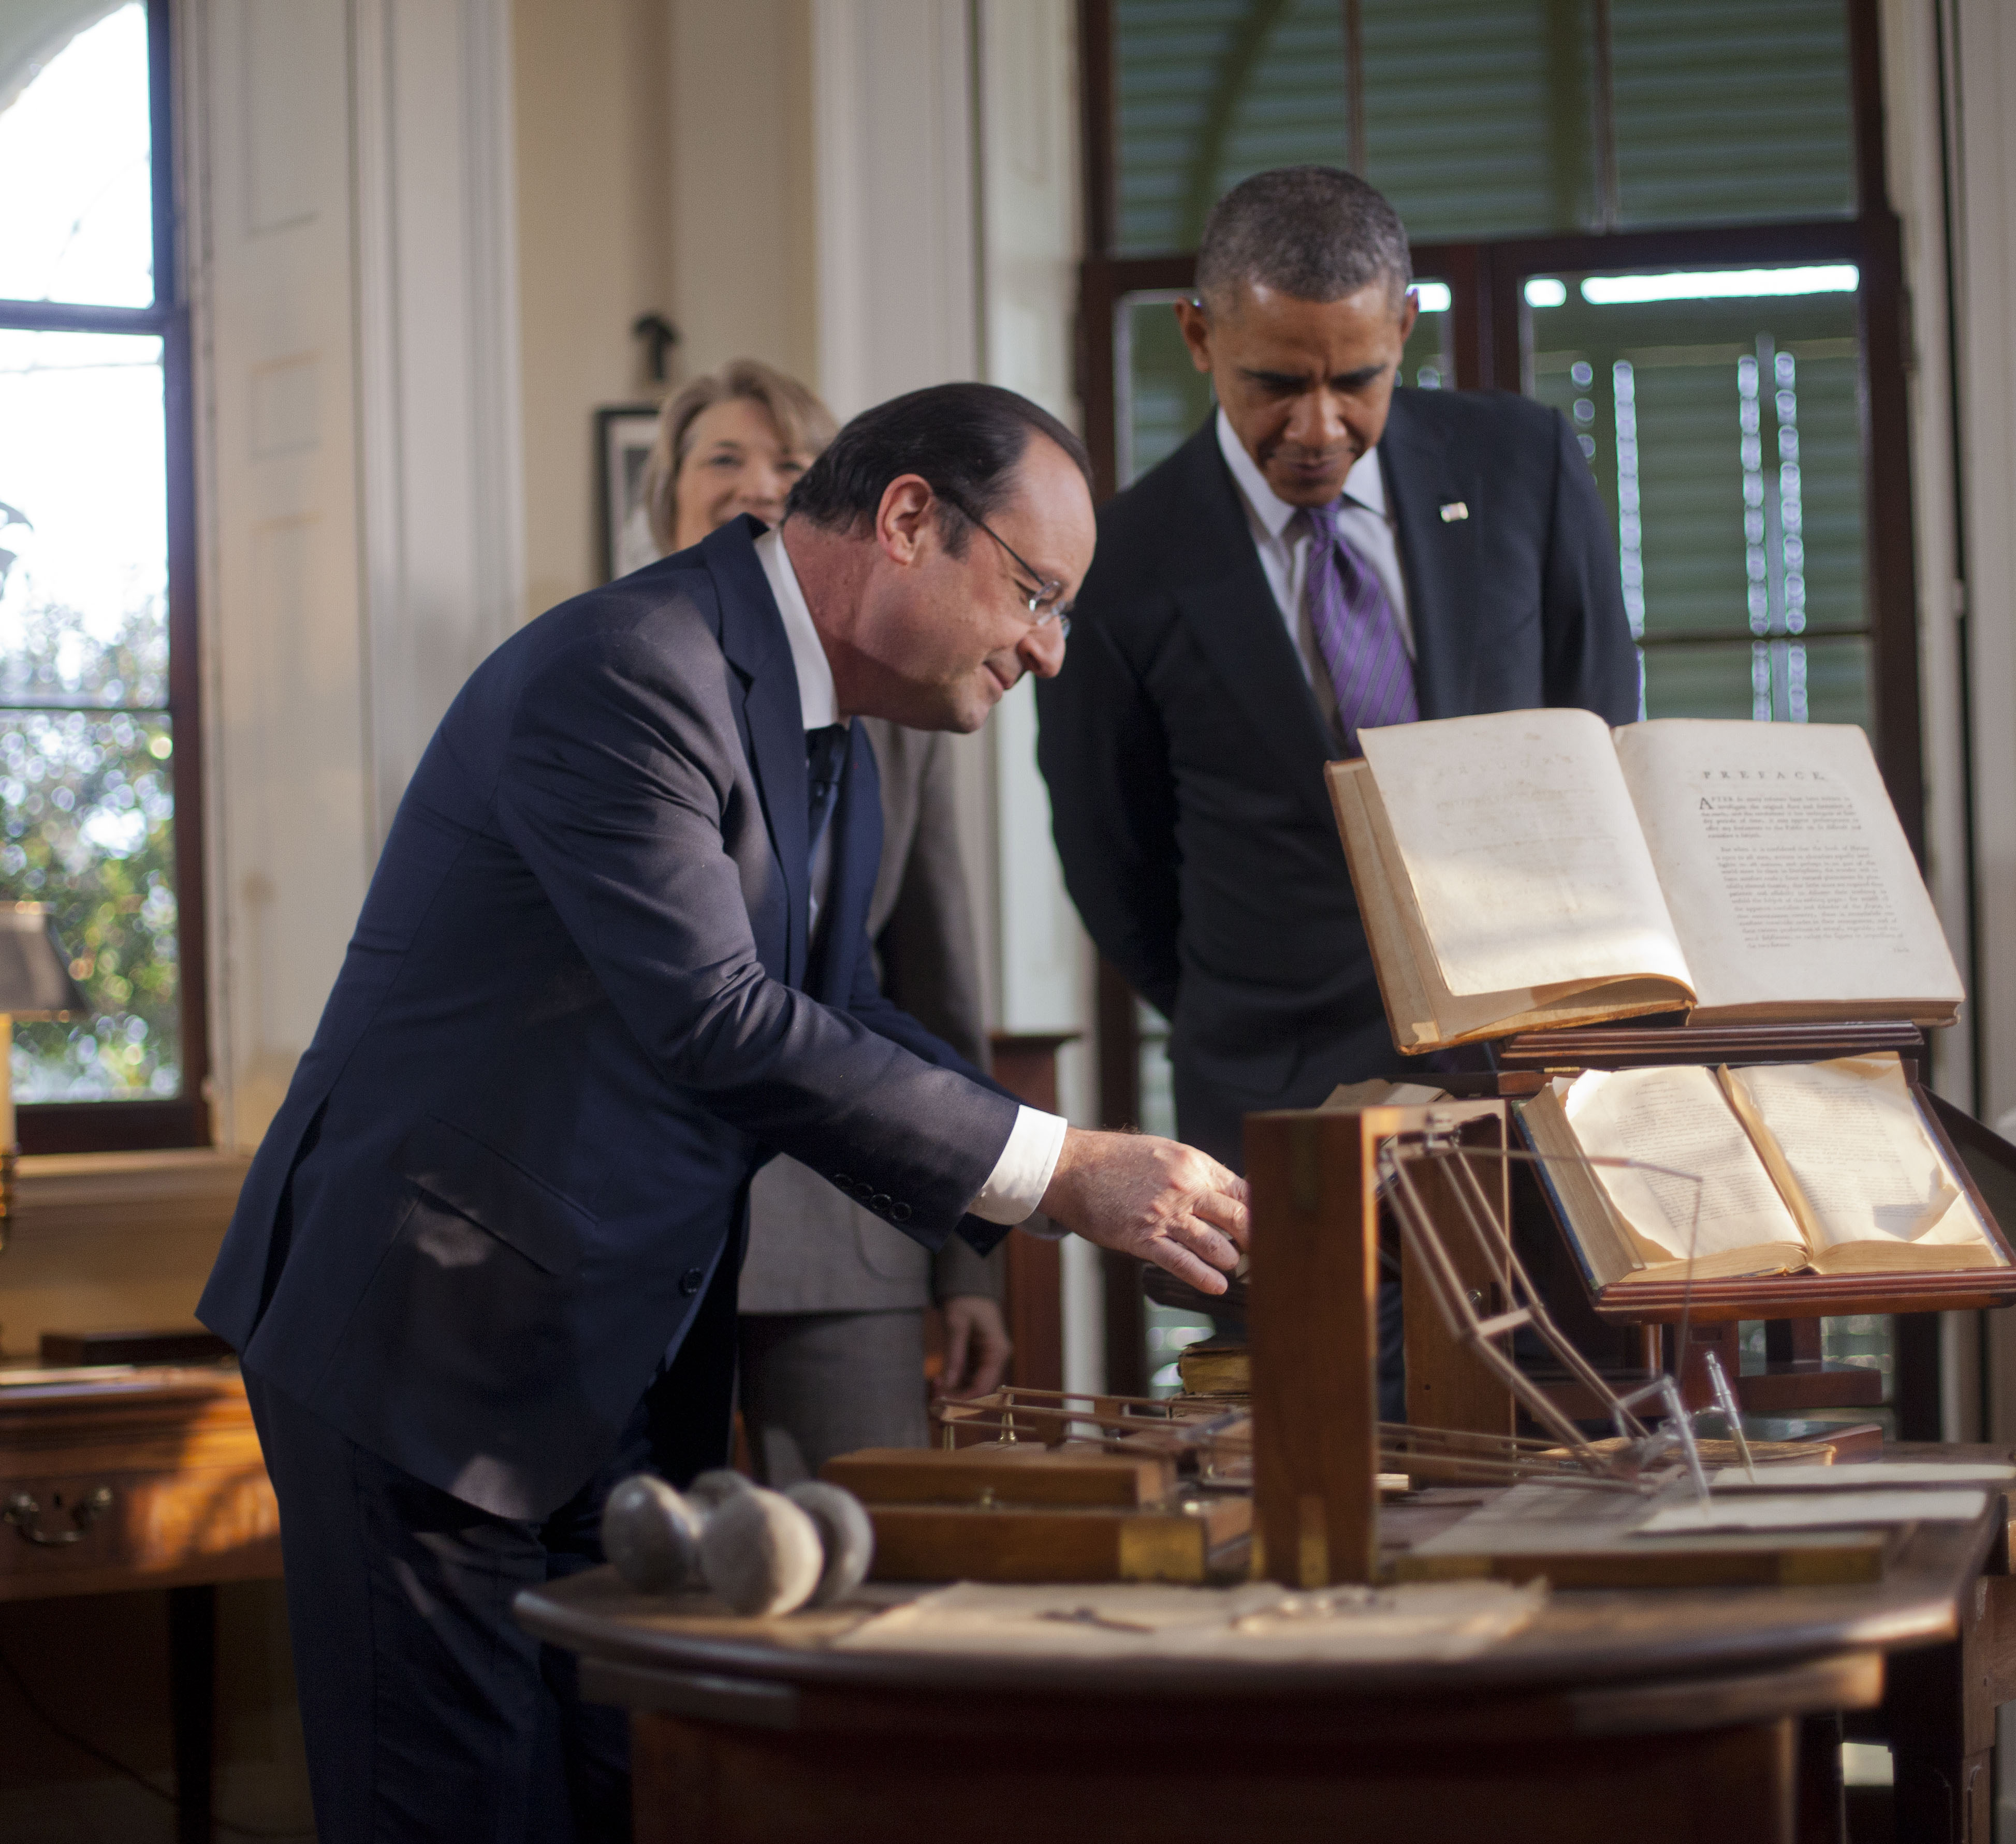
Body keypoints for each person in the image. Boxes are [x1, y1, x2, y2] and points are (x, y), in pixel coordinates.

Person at [196, 383, 1249, 1842]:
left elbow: (846, 1006)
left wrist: (1068, 1170)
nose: (1048, 652)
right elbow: (718, 1020)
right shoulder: (633, 669)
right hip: (426, 1348)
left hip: (600, 1365)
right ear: (906, 521)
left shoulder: (837, 729)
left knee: (629, 1798)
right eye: (1036, 595)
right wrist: (1056, 1168)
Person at [1038, 166, 1640, 1168]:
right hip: (1274, 1099)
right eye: (1276, 384)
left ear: (1403, 328)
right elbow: (1113, 862)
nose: (1319, 428)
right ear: (1198, 336)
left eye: (1355, 379)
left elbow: (1598, 726)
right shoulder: (1121, 562)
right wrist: (1253, 1005)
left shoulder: (1520, 464)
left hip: (1538, 1081)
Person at [641, 358, 1013, 1480]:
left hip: (844, 1228)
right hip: (647, 1234)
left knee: (864, 1558)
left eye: (791, 464)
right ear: (668, 493)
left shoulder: (900, 709)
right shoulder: (618, 676)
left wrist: (967, 1264)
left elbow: (933, 989)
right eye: (725, 457)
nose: (758, 481)